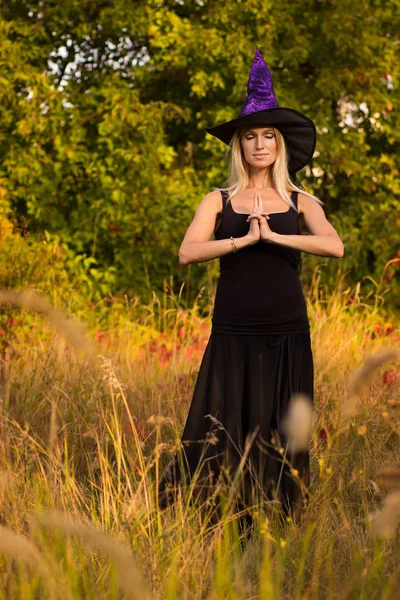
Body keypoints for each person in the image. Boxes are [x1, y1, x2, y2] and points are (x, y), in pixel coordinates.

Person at [157, 47, 344, 524]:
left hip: (286, 329)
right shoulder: (217, 199)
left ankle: (277, 519)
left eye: (268, 136)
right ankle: (212, 516)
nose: (259, 144)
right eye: (250, 136)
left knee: (281, 425)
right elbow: (187, 252)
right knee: (223, 421)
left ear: (279, 145)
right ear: (238, 146)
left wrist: (275, 235)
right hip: (234, 329)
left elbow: (333, 245)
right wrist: (242, 240)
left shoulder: (299, 198)